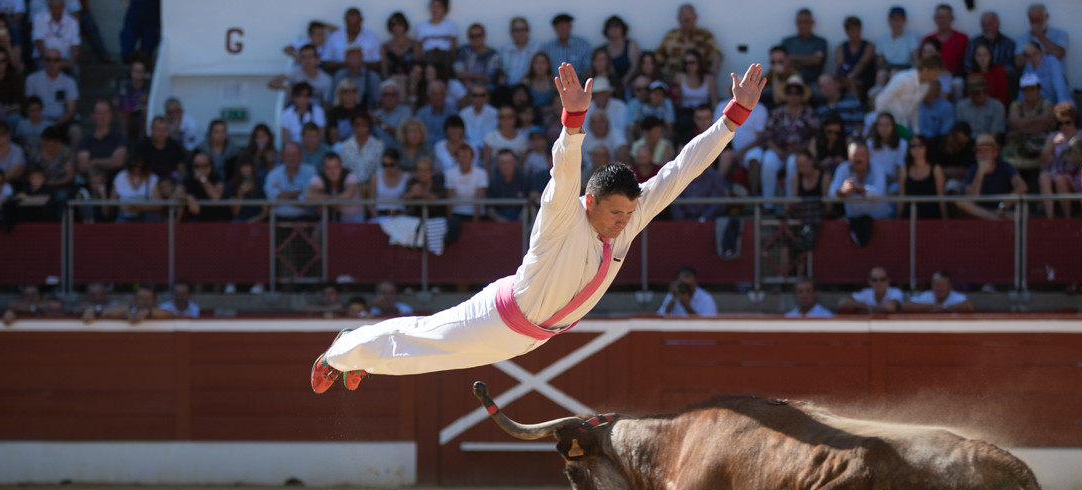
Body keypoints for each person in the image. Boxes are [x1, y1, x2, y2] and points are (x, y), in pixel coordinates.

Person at [310, 61, 764, 391]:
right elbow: (564, 172)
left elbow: (682, 170)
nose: (624, 223)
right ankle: (344, 349)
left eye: (629, 214)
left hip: (529, 337)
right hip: (498, 318)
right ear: (590, 202)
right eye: (615, 214)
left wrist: (733, 118)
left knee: (424, 356)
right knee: (426, 345)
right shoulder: (564, 214)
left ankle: (358, 356)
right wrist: (573, 124)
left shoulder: (630, 215)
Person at [744, 74, 816, 203]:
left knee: (793, 163)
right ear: (786, 94)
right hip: (777, 150)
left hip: (799, 152)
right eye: (790, 92)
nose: (793, 96)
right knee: (768, 161)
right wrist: (777, 150)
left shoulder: (809, 113)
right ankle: (768, 204)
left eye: (797, 92)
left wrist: (796, 150)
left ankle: (790, 203)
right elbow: (767, 135)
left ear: (802, 95)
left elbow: (813, 136)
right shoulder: (776, 113)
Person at [956, 132, 1027, 220]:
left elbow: (1022, 187)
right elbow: (971, 200)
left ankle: (995, 218)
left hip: (1004, 211)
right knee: (960, 202)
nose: (983, 155)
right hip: (982, 213)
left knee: (1019, 210)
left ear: (995, 153)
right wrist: (980, 172)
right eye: (980, 152)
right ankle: (996, 219)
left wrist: (1003, 206)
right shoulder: (972, 170)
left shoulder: (1005, 166)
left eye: (986, 151)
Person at [1038, 101, 1082, 219]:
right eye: (1060, 123)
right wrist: (1051, 145)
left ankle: (1068, 218)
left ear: (1074, 120)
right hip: (1057, 171)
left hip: (1077, 174)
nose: (1064, 126)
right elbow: (1043, 161)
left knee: (1060, 179)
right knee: (1044, 177)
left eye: (1067, 122)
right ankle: (1050, 218)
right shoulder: (1053, 136)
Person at [874, 53, 943, 136]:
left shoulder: (926, 86)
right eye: (934, 74)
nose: (935, 78)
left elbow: (915, 109)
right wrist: (883, 126)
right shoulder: (903, 79)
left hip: (903, 126)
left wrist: (916, 131)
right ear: (925, 69)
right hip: (888, 128)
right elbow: (880, 100)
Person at [830, 138, 893, 227]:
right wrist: (842, 191)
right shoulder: (843, 169)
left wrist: (858, 189)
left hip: (881, 222)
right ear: (849, 156)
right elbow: (832, 193)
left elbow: (879, 191)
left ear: (869, 156)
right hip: (853, 222)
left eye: (861, 155)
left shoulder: (878, 168)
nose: (858, 159)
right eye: (854, 155)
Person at [656, 4, 721, 81]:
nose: (687, 17)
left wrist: (710, 80)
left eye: (689, 14)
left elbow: (716, 56)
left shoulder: (705, 35)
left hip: (698, 83)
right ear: (678, 18)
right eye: (683, 14)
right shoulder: (670, 36)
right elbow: (657, 58)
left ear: (695, 17)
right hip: (672, 82)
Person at [1004, 74, 1054, 165]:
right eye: (1026, 90)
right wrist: (1038, 120)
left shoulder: (1047, 104)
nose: (1029, 92)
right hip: (1019, 143)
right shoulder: (1016, 105)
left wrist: (1021, 128)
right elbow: (1013, 122)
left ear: (1039, 89)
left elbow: (1046, 123)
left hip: (1041, 143)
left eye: (1032, 89)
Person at [22, 46, 75, 131]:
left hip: (61, 122)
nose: (52, 63)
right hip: (37, 121)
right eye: (48, 60)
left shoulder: (69, 82)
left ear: (61, 62)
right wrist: (43, 124)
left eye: (56, 60)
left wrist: (56, 124)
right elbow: (29, 106)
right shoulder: (32, 79)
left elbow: (71, 111)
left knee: (75, 131)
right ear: (43, 61)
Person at [269, 42, 333, 108]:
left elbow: (326, 102)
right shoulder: (295, 72)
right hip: (295, 111)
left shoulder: (326, 80)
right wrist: (287, 89)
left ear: (317, 59)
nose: (307, 60)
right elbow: (272, 83)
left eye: (310, 57)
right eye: (304, 57)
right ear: (300, 59)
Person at [898, 133, 946, 219]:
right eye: (913, 146)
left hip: (932, 219)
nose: (917, 149)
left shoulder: (936, 169)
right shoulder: (904, 170)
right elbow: (901, 198)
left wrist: (945, 221)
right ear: (909, 149)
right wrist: (898, 221)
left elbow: (941, 197)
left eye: (920, 145)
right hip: (909, 219)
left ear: (926, 148)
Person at [306, 150, 363, 222]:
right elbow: (309, 196)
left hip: (353, 219)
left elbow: (347, 196)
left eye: (336, 167)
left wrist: (324, 202)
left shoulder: (351, 176)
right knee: (316, 232)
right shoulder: (319, 177)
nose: (332, 172)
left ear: (341, 167)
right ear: (323, 168)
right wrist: (335, 200)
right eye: (329, 168)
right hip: (330, 219)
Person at [265, 140, 316, 220]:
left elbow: (309, 199)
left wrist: (281, 195)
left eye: (294, 155)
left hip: (304, 220)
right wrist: (296, 194)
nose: (291, 158)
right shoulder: (273, 174)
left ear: (300, 156)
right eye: (288, 155)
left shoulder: (310, 172)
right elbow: (271, 198)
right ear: (282, 157)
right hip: (277, 221)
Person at [323, 7, 381, 73]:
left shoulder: (373, 38)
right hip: (339, 75)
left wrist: (359, 64)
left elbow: (378, 63)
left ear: (361, 20)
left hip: (366, 76)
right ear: (345, 20)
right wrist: (345, 64)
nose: (353, 28)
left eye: (355, 25)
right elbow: (325, 62)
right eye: (350, 25)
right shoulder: (333, 37)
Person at [781, 8, 828, 90]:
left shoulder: (820, 42)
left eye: (805, 22)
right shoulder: (788, 42)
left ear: (812, 23)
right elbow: (783, 62)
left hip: (813, 82)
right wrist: (809, 59)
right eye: (799, 22)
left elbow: (816, 61)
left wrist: (792, 58)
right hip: (790, 84)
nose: (802, 25)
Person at [874, 5, 919, 90]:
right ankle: (877, 97)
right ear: (889, 21)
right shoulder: (882, 38)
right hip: (887, 66)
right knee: (881, 74)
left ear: (904, 21)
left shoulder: (911, 36)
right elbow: (880, 60)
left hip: (905, 66)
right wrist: (881, 69)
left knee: (895, 74)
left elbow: (915, 57)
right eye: (893, 19)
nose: (895, 22)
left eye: (898, 19)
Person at [335, 109, 384, 185]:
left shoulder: (379, 146)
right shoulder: (345, 146)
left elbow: (379, 169)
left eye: (364, 125)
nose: (361, 128)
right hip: (350, 187)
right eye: (357, 125)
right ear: (352, 126)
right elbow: (344, 169)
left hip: (372, 186)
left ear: (369, 127)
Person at [1015, 3, 1068, 70]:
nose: (1035, 24)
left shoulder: (1060, 34)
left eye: (1038, 20)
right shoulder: (1023, 38)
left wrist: (1040, 36)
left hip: (1055, 77)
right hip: (1034, 77)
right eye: (1032, 21)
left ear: (1046, 17)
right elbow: (1018, 63)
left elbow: (1058, 54)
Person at [179, 150, 229, 221]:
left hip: (216, 221)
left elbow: (216, 197)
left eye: (205, 166)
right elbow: (176, 194)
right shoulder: (189, 178)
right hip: (195, 222)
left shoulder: (217, 177)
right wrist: (188, 197)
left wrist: (203, 179)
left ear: (211, 166)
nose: (200, 169)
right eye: (197, 166)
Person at [922, 4, 968, 81]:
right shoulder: (928, 39)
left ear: (952, 18)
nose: (942, 20)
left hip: (955, 77)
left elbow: (966, 64)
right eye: (939, 17)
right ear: (935, 19)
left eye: (945, 17)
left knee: (958, 83)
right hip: (931, 77)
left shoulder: (962, 38)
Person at [132, 115, 185, 180]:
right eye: (158, 130)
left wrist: (179, 182)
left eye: (165, 130)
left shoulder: (175, 146)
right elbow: (135, 167)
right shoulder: (141, 146)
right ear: (151, 129)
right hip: (146, 181)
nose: (161, 133)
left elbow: (181, 167)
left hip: (169, 183)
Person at [444, 139, 485, 223]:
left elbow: (479, 200)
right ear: (457, 158)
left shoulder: (481, 173)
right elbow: (449, 199)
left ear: (472, 158)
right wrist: (450, 219)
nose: (464, 159)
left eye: (466, 155)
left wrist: (475, 222)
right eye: (461, 156)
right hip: (457, 213)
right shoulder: (450, 173)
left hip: (476, 214)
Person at [31, 0, 78, 73]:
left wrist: (71, 61)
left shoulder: (72, 22)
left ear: (63, 8)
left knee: (75, 69)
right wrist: (51, 61)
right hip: (45, 59)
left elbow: (76, 45)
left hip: (64, 60)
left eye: (58, 8)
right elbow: (39, 42)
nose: (56, 11)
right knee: (41, 67)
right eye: (53, 8)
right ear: (49, 8)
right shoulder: (39, 19)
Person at [835, 15, 875, 99]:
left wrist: (850, 76)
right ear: (847, 32)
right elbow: (841, 65)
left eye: (858, 30)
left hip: (864, 80)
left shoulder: (869, 46)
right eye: (853, 31)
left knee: (851, 83)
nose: (856, 34)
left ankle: (855, 107)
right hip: (845, 78)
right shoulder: (841, 47)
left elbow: (862, 63)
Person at [1019, 40, 1070, 106]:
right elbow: (1023, 91)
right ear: (1025, 57)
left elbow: (1060, 87)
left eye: (1035, 54)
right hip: (1040, 107)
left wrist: (1062, 108)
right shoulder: (1028, 67)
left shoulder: (1052, 62)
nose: (1033, 58)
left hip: (1059, 103)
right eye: (1029, 56)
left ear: (1042, 52)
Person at [111, 154, 160, 221]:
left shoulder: (152, 178)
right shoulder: (121, 176)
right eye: (133, 166)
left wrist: (140, 208)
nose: (136, 169)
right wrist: (123, 207)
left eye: (141, 167)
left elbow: (159, 205)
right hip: (124, 214)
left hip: (145, 215)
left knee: (152, 217)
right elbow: (112, 201)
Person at [955, 74, 1006, 138]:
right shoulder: (961, 107)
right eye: (977, 92)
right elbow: (960, 132)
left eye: (985, 91)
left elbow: (996, 133)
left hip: (989, 142)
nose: (982, 95)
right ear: (970, 93)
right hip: (966, 143)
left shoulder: (997, 107)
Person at [485, 147, 528, 222]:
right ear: (497, 164)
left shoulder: (525, 180)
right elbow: (489, 208)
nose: (506, 166)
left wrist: (520, 221)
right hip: (497, 221)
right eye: (502, 163)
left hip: (521, 220)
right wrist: (500, 220)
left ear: (515, 163)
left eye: (509, 162)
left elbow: (529, 204)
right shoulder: (493, 182)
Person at [838, 265, 903, 313]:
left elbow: (890, 307)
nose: (878, 283)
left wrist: (870, 308)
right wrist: (867, 307)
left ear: (888, 280)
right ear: (869, 281)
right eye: (874, 280)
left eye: (882, 279)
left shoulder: (895, 292)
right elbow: (843, 302)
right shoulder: (867, 293)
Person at [455, 23, 500, 91]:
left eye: (478, 35)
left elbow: (489, 77)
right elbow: (458, 72)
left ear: (484, 36)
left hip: (485, 89)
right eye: (472, 36)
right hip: (465, 85)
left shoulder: (492, 54)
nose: (475, 38)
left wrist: (468, 75)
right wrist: (477, 77)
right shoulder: (463, 50)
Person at [114, 54, 148, 143]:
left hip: (143, 115)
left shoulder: (149, 85)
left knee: (145, 111)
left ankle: (142, 141)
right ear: (131, 72)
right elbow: (119, 99)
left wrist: (147, 99)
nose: (137, 74)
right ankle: (123, 140)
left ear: (145, 73)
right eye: (135, 71)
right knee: (121, 110)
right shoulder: (125, 84)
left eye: (140, 71)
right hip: (129, 115)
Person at [193, 118, 238, 183]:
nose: (220, 135)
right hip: (203, 180)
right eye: (217, 132)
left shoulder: (233, 150)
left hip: (227, 182)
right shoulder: (200, 149)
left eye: (223, 132)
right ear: (210, 133)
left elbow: (234, 172)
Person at [903, 270, 974, 312]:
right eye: (937, 285)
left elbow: (969, 306)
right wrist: (932, 307)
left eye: (943, 285)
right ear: (932, 286)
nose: (940, 288)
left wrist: (944, 307)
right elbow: (906, 305)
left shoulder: (955, 296)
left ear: (950, 286)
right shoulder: (927, 295)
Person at [967, 40, 1008, 109]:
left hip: (995, 108)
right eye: (979, 55)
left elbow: (1004, 97)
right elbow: (971, 97)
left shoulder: (999, 71)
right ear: (974, 57)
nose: (982, 59)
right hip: (977, 108)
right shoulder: (973, 74)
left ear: (990, 56)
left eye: (985, 55)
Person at [601, 15, 638, 86]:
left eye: (616, 25)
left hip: (629, 84)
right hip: (609, 85)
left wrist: (624, 81)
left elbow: (634, 66)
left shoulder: (631, 45)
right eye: (609, 26)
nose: (613, 29)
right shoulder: (603, 49)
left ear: (623, 28)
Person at [380, 11, 417, 79]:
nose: (397, 27)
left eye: (400, 24)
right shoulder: (385, 47)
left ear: (405, 25)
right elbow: (384, 70)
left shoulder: (414, 45)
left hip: (410, 83)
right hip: (392, 84)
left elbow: (417, 67)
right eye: (394, 25)